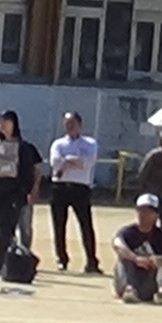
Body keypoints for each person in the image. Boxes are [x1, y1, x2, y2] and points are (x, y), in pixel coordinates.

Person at [0, 111, 43, 274]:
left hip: (15, 192)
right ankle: (4, 260)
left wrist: (31, 190)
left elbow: (32, 170)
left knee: (6, 227)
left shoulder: (24, 147)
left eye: (6, 122)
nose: (2, 125)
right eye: (0, 122)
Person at [48, 112, 102, 274]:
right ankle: (62, 259)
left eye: (72, 123)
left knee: (86, 225)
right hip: (60, 187)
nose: (69, 126)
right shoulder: (58, 144)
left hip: (80, 188)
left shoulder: (90, 143)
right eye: (66, 123)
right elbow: (55, 163)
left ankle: (91, 261)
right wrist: (74, 161)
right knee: (59, 225)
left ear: (80, 125)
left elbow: (88, 163)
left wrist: (67, 161)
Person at [110, 194, 162, 305]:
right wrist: (135, 258)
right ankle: (128, 290)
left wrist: (160, 260)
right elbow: (117, 244)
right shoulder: (127, 232)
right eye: (140, 210)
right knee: (123, 259)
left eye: (148, 211)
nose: (143, 214)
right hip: (129, 278)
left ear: (156, 215)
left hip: (149, 282)